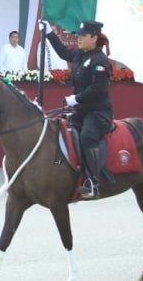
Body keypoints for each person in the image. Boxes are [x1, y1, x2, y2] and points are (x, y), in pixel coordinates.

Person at [47, 20, 113, 199]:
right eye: (78, 35)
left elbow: (99, 89)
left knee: (87, 137)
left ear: (94, 37)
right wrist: (49, 33)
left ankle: (93, 182)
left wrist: (77, 99)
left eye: (83, 36)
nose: (79, 39)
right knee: (58, 130)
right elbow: (63, 52)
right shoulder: (80, 55)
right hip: (81, 111)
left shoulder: (100, 60)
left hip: (98, 112)